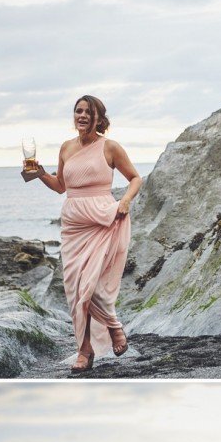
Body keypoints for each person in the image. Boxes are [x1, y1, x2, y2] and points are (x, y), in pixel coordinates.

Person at [27, 95, 142, 374]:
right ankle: (87, 347)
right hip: (73, 227)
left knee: (90, 287)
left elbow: (136, 178)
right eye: (77, 111)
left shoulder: (110, 147)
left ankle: (104, 334)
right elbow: (61, 187)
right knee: (75, 290)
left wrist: (125, 201)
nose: (81, 116)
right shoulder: (66, 148)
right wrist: (40, 172)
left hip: (104, 220)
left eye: (87, 112)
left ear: (98, 117)